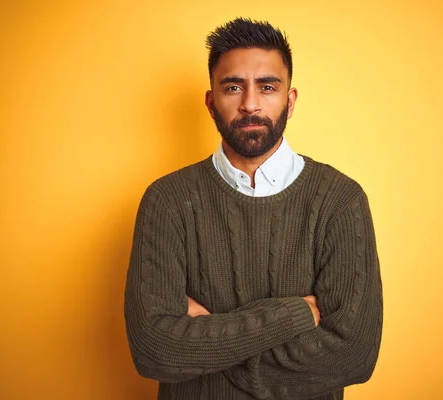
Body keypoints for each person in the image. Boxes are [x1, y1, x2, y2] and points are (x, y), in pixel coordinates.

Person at [124, 17, 383, 400]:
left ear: (289, 101)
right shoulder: (167, 200)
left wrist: (210, 341)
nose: (249, 104)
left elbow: (354, 357)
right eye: (233, 87)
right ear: (211, 103)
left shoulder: (340, 200)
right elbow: (154, 352)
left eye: (267, 87)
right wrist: (293, 315)